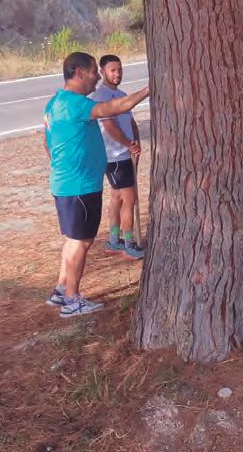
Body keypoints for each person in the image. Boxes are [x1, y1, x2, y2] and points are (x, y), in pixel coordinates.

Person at [43, 52, 149, 318]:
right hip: (79, 186)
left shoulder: (55, 102)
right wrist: (149, 89)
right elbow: (115, 108)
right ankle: (72, 299)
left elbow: (47, 142)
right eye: (93, 72)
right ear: (79, 73)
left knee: (74, 239)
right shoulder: (76, 103)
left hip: (68, 183)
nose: (97, 78)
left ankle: (61, 289)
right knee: (81, 242)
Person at [89, 54, 144, 261]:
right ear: (102, 72)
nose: (117, 74)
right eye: (112, 70)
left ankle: (114, 239)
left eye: (119, 69)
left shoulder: (122, 95)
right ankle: (129, 243)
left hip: (125, 153)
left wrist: (136, 143)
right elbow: (109, 126)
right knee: (129, 198)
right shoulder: (100, 96)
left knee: (117, 197)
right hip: (115, 156)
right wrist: (128, 144)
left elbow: (131, 122)